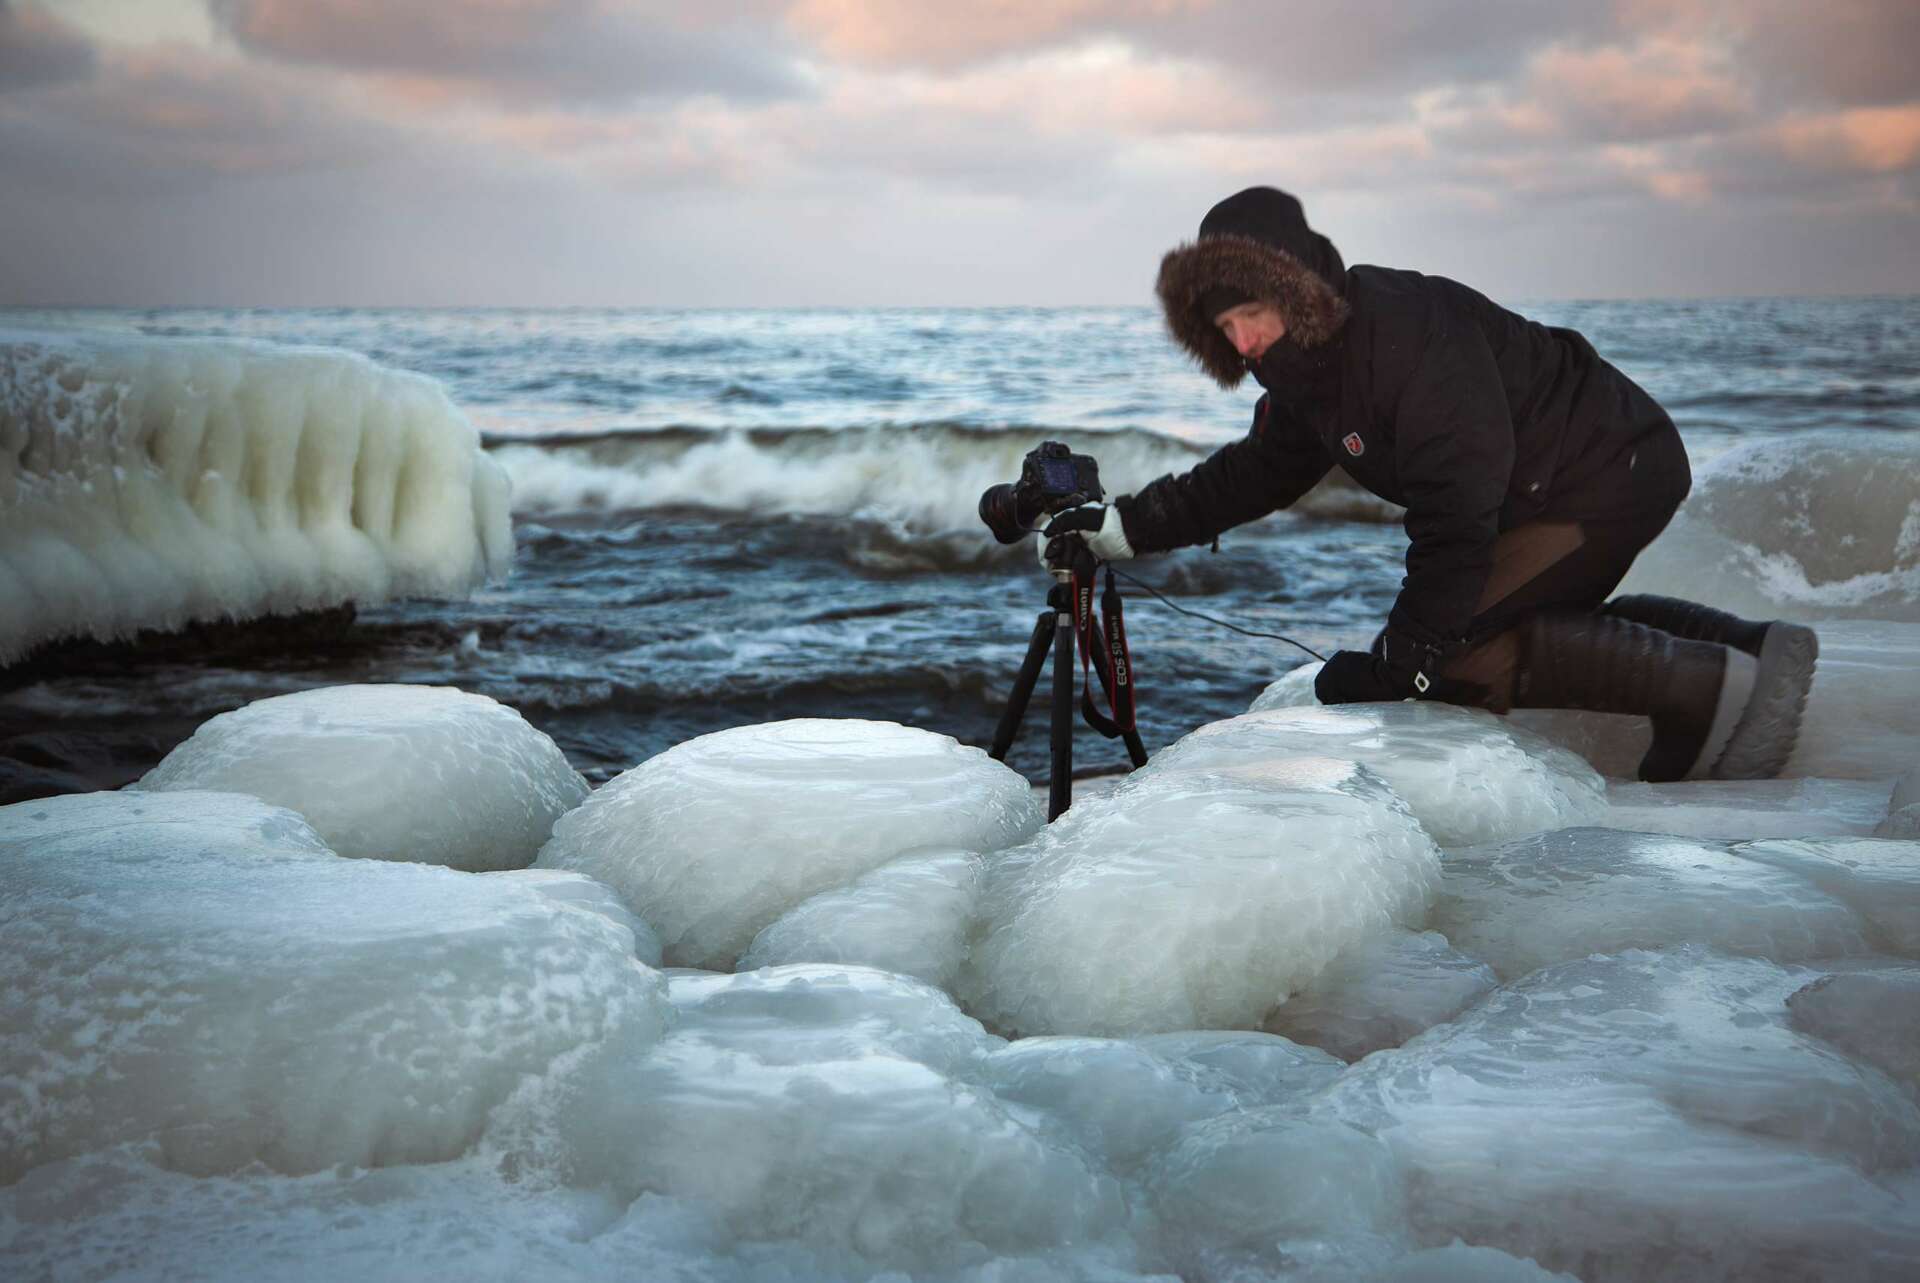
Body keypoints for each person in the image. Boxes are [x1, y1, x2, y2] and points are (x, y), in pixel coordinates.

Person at [1043, 186, 1815, 782]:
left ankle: (1702, 688)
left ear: (1295, 285)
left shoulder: (1404, 333)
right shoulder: (1304, 368)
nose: (1241, 342)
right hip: (1560, 479)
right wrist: (1123, 527)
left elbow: (1457, 504)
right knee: (1509, 608)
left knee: (1455, 658)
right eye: (1224, 331)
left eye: (1250, 313)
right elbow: (1254, 474)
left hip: (1604, 470)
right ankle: (1749, 646)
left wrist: (1401, 657)